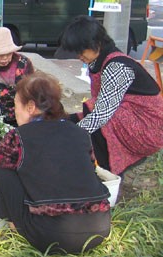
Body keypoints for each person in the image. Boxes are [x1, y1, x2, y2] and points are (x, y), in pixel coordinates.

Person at [0, 72, 111, 254]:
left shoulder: (19, 136)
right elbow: (90, 168)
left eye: (16, 105)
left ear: (30, 107)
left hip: (52, 234)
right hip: (99, 229)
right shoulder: (79, 132)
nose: (14, 111)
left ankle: (15, 225)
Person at [59, 15, 163, 175]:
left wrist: (71, 135)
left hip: (150, 129)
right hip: (131, 118)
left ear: (96, 43)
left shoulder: (117, 67)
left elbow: (102, 114)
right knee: (77, 117)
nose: (79, 56)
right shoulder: (98, 61)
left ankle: (106, 172)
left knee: (95, 119)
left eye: (82, 50)